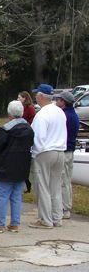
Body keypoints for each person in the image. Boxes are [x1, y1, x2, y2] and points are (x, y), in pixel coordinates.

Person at [0, 101, 34, 233]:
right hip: (22, 166)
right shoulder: (29, 129)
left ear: (9, 114)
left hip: (6, 166)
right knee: (16, 196)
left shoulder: (5, 130)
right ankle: (14, 223)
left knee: (2, 196)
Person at [29, 84, 67, 229]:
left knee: (43, 186)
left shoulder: (42, 114)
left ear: (41, 96)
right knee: (55, 186)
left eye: (37, 95)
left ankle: (45, 219)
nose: (35, 98)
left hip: (44, 152)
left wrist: (35, 153)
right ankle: (57, 217)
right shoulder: (59, 112)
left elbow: (38, 137)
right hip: (59, 151)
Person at [54, 91, 80, 219]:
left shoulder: (65, 116)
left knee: (63, 181)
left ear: (63, 102)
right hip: (70, 150)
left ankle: (64, 208)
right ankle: (66, 205)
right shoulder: (73, 115)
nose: (56, 101)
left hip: (65, 151)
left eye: (58, 100)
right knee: (67, 180)